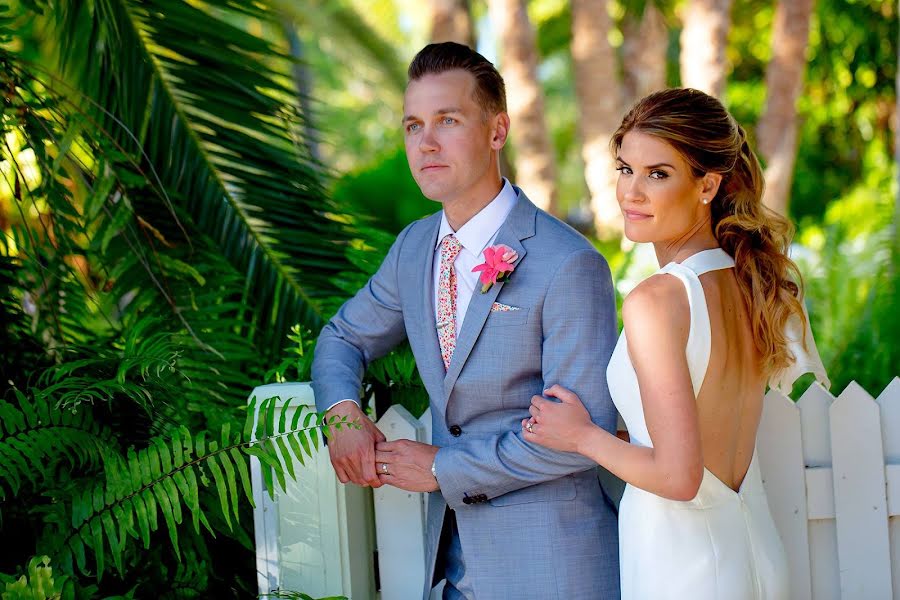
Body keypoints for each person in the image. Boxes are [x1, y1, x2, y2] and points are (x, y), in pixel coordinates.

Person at [311, 42, 620, 599]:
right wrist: (341, 413)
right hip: (450, 571)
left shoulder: (569, 264)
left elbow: (582, 433)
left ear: (497, 130)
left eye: (447, 121)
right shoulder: (414, 250)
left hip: (552, 565)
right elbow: (342, 336)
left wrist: (442, 470)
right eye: (412, 126)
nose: (425, 143)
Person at [523, 87, 829, 600]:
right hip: (753, 553)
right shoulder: (750, 282)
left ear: (707, 185)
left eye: (658, 174)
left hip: (684, 568)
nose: (631, 193)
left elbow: (679, 475)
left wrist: (582, 437)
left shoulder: (658, 300)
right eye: (625, 170)